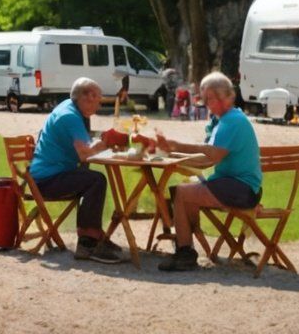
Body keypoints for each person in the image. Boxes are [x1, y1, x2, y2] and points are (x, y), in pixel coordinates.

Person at [149, 72, 261, 273]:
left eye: (211, 98)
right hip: (239, 187)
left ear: (226, 97)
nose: (207, 103)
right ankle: (187, 245)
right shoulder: (226, 120)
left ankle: (185, 252)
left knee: (182, 194)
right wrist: (173, 154)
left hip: (240, 189)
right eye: (205, 98)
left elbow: (211, 156)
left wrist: (176, 147)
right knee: (182, 191)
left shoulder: (231, 122)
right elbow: (206, 160)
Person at [27, 77, 125, 264]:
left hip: (46, 174)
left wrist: (100, 143)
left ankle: (93, 236)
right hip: (46, 180)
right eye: (98, 98)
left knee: (90, 178)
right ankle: (88, 243)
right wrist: (106, 143)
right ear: (88, 97)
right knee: (95, 180)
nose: (99, 103)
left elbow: (84, 146)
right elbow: (84, 154)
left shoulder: (69, 108)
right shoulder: (71, 116)